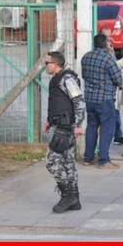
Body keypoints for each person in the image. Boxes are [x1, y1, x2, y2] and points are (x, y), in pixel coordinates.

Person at [42, 51, 86, 213]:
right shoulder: (57, 79)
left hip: (66, 129)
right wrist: (49, 120)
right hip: (60, 126)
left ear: (56, 64)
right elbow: (58, 103)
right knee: (68, 163)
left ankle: (67, 195)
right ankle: (75, 199)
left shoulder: (67, 79)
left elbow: (79, 102)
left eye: (47, 63)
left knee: (51, 161)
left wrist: (78, 125)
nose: (45, 66)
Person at [81, 34, 123, 169]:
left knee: (92, 127)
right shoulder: (108, 59)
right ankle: (104, 160)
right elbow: (118, 79)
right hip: (105, 99)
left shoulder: (86, 57)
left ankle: (88, 158)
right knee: (107, 129)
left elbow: (84, 75)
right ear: (105, 44)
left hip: (90, 98)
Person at [99, 26, 123, 146]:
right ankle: (110, 138)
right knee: (111, 114)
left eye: (110, 36)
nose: (110, 39)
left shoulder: (110, 48)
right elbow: (111, 67)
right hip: (106, 89)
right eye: (107, 37)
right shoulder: (102, 51)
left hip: (113, 88)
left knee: (116, 112)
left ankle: (118, 135)